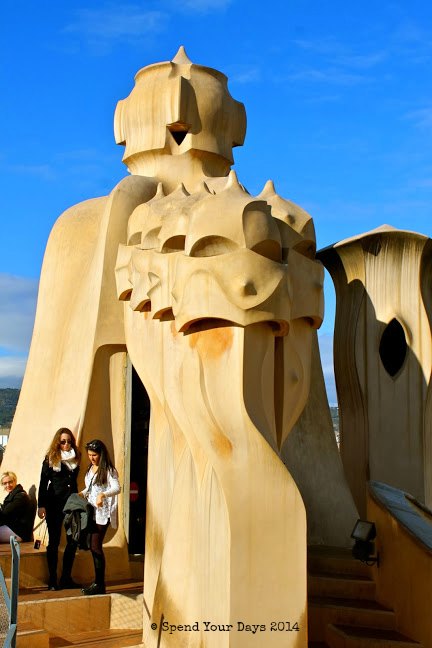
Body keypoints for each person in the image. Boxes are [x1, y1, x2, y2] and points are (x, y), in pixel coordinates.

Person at [37, 427, 81, 590]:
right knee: (54, 542)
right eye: (63, 442)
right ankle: (53, 580)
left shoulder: (76, 458)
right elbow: (43, 483)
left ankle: (66, 578)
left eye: (69, 441)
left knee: (73, 541)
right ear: (58, 442)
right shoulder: (50, 459)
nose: (66, 444)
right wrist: (41, 505)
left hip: (72, 504)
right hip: (54, 503)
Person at [81, 439, 120, 595]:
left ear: (101, 454)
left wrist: (103, 495)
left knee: (96, 546)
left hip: (102, 513)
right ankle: (97, 582)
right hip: (91, 512)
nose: (92, 458)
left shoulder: (109, 470)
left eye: (94, 455)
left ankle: (99, 584)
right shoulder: (91, 468)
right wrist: (82, 494)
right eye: (90, 455)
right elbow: (90, 488)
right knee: (92, 546)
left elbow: (117, 488)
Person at [0, 472, 34, 542]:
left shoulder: (20, 496)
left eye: (10, 482)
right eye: (5, 483)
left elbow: (5, 514)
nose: (8, 485)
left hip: (19, 533)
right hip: (11, 528)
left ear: (15, 481)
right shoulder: (11, 496)